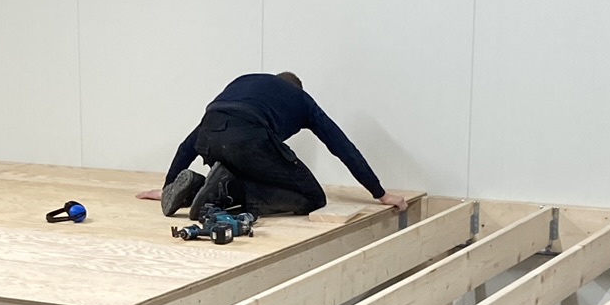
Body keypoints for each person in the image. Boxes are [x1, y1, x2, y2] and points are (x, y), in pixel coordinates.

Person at [137, 72, 409, 219]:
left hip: (210, 137)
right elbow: (342, 147)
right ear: (298, 89)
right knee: (314, 198)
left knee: (248, 166)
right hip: (249, 139)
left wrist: (168, 187)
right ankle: (228, 191)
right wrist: (380, 194)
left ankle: (199, 188)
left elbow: (187, 145)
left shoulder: (246, 83)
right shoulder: (302, 101)